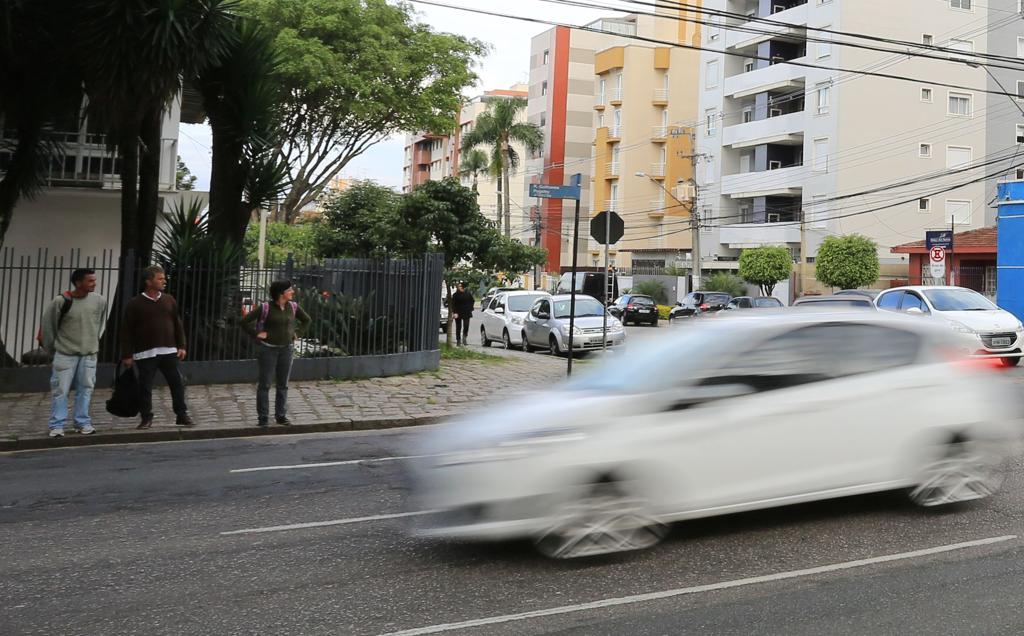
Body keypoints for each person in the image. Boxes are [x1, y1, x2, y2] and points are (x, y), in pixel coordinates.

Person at [120, 265, 193, 429]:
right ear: (148, 281)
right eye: (160, 278)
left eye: (163, 278)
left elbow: (177, 323)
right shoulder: (135, 303)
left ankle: (181, 414)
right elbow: (126, 331)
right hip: (145, 353)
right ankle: (146, 417)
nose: (164, 281)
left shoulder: (169, 300)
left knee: (177, 383)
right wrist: (127, 354)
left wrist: (181, 345)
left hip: (168, 350)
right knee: (145, 386)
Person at [41, 268, 108, 438]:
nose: (94, 283)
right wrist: (51, 348)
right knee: (60, 390)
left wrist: (93, 342)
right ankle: (57, 425)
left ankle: (82, 422)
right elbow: (49, 326)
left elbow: (99, 323)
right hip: (65, 353)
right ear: (78, 283)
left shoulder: (99, 300)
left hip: (89, 353)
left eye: (94, 280)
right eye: (90, 280)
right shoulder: (61, 301)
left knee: (86, 389)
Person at [241, 280, 311, 427]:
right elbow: (244, 321)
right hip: (268, 349)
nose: (292, 292)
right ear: (281, 293)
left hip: (286, 349)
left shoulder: (293, 306)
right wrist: (256, 334)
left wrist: (297, 333)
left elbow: (306, 320)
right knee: (265, 384)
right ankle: (263, 418)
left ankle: (281, 416)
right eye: (289, 290)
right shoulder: (266, 307)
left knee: (283, 384)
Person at [451, 282, 475, 346]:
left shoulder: (468, 294)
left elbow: (472, 301)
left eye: (461, 286)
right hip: (458, 312)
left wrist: (470, 308)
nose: (460, 287)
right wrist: (454, 312)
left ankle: (464, 337)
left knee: (466, 325)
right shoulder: (455, 295)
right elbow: (453, 304)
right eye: (459, 286)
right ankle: (458, 340)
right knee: (458, 327)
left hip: (466, 312)